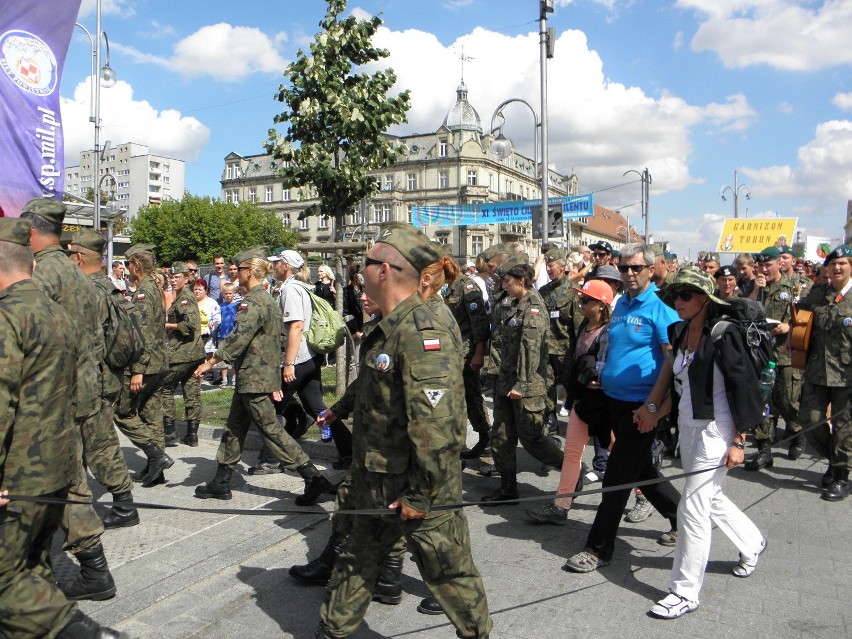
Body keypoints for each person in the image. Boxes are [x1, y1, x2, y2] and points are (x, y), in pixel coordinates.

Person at [315, 225, 491, 639]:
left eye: (366, 263)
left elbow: (439, 425)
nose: (360, 271)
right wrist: (340, 410)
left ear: (387, 271)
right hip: (376, 474)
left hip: (419, 482)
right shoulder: (390, 323)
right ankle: (331, 631)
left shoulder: (422, 329)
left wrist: (420, 494)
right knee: (355, 559)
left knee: (449, 574)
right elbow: (375, 383)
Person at [0, 218, 127, 639]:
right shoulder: (58, 303)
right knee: (31, 565)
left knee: (10, 581)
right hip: (59, 456)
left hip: (23, 470)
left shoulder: (12, 314)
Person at [647, 267, 766, 619]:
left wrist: (739, 441)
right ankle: (752, 542)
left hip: (718, 429)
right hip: (688, 426)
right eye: (676, 296)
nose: (679, 302)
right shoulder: (678, 331)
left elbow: (742, 387)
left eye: (686, 295)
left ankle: (684, 592)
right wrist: (654, 410)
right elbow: (677, 384)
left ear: (704, 299)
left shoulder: (723, 334)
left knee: (691, 508)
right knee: (708, 496)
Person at [21, 199, 119, 601]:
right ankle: (89, 567)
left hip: (51, 393)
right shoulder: (80, 275)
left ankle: (64, 570)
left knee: (50, 479)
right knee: (67, 476)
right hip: (82, 388)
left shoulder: (41, 274)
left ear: (29, 231)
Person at [564, 243, 681, 573]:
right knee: (642, 471)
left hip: (641, 408)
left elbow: (672, 361)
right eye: (624, 268)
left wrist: (654, 405)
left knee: (615, 477)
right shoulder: (623, 305)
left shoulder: (660, 309)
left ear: (651, 269)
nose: (629, 274)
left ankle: (598, 548)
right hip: (612, 401)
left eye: (636, 268)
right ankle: (683, 518)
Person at [193, 248, 332, 506]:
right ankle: (221, 482)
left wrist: (210, 361)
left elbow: (238, 339)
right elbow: (278, 338)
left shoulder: (254, 301)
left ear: (249, 272)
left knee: (271, 430)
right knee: (234, 429)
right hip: (254, 376)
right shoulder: (267, 298)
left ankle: (313, 477)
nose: (236, 276)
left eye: (239, 270)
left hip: (254, 378)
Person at [251, 248, 352, 472]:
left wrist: (288, 363)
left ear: (285, 266)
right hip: (309, 358)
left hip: (298, 359)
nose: (274, 266)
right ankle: (349, 451)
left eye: (277, 263)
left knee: (273, 407)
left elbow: (295, 326)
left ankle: (270, 459)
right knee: (317, 407)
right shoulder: (299, 288)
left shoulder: (291, 290)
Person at [67, 230, 139, 529]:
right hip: (106, 377)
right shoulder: (109, 287)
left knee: (99, 444)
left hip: (91, 381)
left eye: (70, 255)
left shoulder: (85, 291)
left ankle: (124, 506)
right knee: (93, 443)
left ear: (79, 257)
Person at [526, 278, 613, 524]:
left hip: (604, 405)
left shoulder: (610, 332)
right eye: (581, 298)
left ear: (601, 305)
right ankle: (561, 506)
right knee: (572, 454)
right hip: (583, 403)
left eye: (586, 300)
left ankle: (643, 495)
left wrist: (600, 378)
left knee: (621, 452)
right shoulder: (584, 326)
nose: (580, 303)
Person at [481, 262, 564, 503]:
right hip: (505, 381)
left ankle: (571, 468)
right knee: (502, 435)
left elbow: (531, 349)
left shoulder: (533, 308)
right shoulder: (512, 304)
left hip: (526, 385)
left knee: (532, 438)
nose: (504, 285)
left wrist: (522, 384)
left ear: (522, 282)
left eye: (508, 281)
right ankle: (508, 488)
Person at [113, 243, 172, 488]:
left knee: (123, 412)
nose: (126, 269)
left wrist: (137, 369)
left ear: (136, 264)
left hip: (146, 366)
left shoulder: (145, 291)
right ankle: (156, 470)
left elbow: (143, 333)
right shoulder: (153, 288)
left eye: (128, 264)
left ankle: (157, 456)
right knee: (151, 415)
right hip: (159, 363)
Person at [796, 245, 852, 501]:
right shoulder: (819, 292)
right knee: (810, 420)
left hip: (847, 374)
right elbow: (800, 316)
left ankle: (840, 475)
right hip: (818, 370)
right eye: (833, 264)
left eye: (842, 263)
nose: (837, 268)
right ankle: (835, 460)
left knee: (844, 428)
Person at [745, 246, 804, 469]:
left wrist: (789, 326)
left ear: (779, 264)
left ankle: (797, 431)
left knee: (786, 399)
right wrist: (754, 290)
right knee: (762, 402)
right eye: (759, 266)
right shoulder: (754, 287)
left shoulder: (793, 287)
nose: (763, 270)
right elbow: (744, 313)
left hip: (785, 352)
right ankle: (764, 450)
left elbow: (805, 317)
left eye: (767, 265)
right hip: (760, 352)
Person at [443, 253, 492, 459]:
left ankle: (485, 438)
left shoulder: (467, 287)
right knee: (458, 399)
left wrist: (479, 354)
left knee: (471, 397)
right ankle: (461, 442)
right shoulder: (447, 288)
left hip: (467, 353)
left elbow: (480, 324)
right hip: (452, 352)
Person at [538, 247, 582, 434]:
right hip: (546, 350)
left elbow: (579, 326)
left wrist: (581, 354)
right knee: (546, 388)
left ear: (563, 267)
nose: (548, 269)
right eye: (547, 266)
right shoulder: (543, 292)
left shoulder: (573, 292)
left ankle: (580, 422)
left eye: (552, 265)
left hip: (567, 351)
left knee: (574, 389)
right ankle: (551, 422)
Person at [163, 262, 206, 446]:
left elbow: (189, 326)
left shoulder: (185, 299)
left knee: (165, 389)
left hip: (182, 354)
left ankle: (169, 432)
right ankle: (192, 434)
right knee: (191, 393)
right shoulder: (182, 297)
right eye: (171, 277)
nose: (173, 280)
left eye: (177, 277)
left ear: (186, 278)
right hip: (193, 354)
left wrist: (167, 325)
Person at [193, 278, 221, 383]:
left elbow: (217, 319)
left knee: (205, 357)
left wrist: (209, 329)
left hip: (206, 336)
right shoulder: (192, 303)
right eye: (195, 289)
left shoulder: (211, 303)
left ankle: (209, 375)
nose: (197, 291)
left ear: (206, 290)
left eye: (200, 289)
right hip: (193, 335)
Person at [217, 282, 240, 386]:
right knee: (222, 357)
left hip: (233, 335)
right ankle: (224, 379)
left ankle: (234, 378)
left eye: (230, 293)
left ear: (234, 293)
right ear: (223, 294)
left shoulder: (237, 305)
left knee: (234, 358)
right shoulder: (220, 306)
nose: (228, 296)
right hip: (222, 334)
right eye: (226, 294)